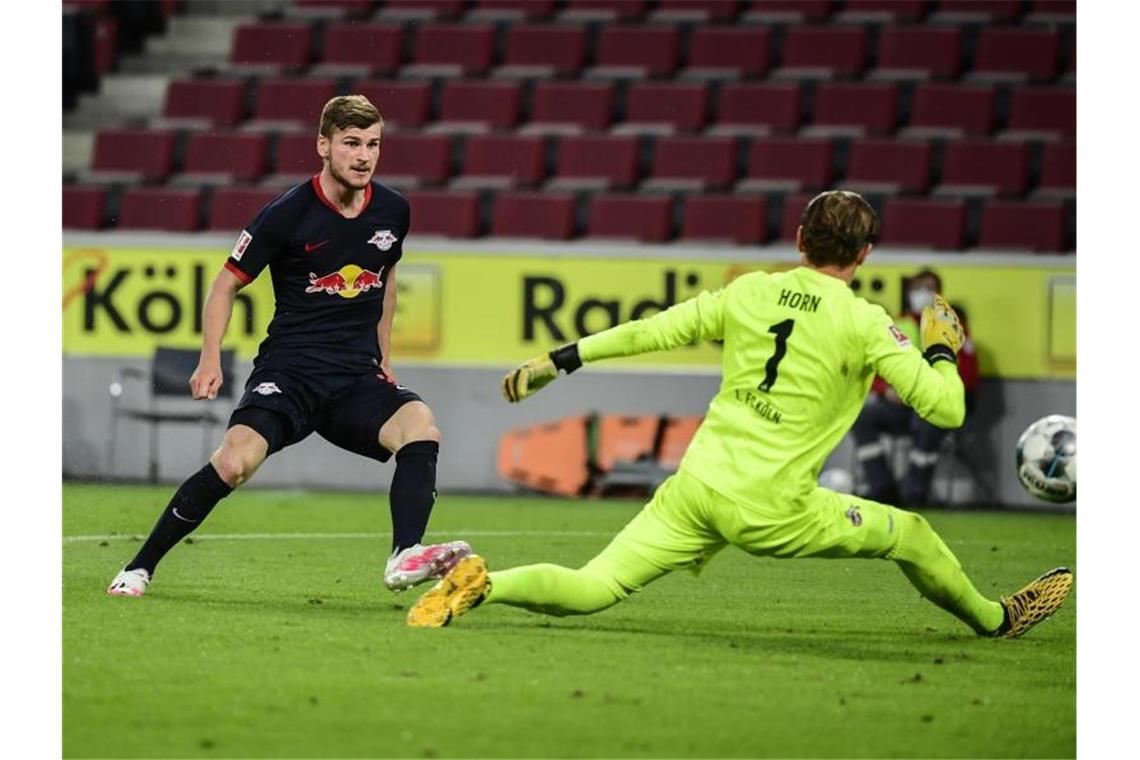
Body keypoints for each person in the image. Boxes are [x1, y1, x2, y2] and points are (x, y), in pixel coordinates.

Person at [406, 190, 1072, 638]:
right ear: (865, 256)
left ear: (800, 237)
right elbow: (945, 408)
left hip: (697, 484)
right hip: (771, 507)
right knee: (914, 535)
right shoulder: (866, 321)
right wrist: (939, 346)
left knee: (595, 583)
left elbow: (652, 330)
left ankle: (485, 584)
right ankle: (995, 620)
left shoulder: (751, 292)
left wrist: (560, 359)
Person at [107, 95, 471, 597]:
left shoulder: (394, 210)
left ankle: (404, 555)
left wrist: (385, 358)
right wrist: (209, 357)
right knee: (234, 463)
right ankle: (139, 566)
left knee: (421, 428)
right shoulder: (287, 214)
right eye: (351, 144)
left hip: (355, 378)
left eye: (373, 144)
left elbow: (387, 281)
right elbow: (224, 284)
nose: (363, 156)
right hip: (291, 371)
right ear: (323, 146)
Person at [852, 269, 981, 506]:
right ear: (909, 293)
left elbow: (969, 375)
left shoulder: (953, 326)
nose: (922, 293)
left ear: (939, 294)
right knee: (862, 417)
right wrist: (884, 391)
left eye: (929, 288)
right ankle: (883, 489)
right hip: (900, 406)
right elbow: (875, 368)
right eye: (917, 288)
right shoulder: (896, 323)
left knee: (926, 423)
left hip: (933, 407)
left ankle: (915, 493)